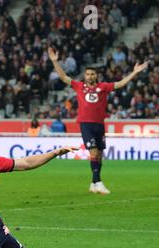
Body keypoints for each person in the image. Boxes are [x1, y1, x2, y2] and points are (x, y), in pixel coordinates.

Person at [48, 47, 148, 194]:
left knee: (100, 154)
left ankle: (93, 183)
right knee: (94, 153)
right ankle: (98, 182)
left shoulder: (103, 87)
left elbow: (120, 84)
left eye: (92, 74)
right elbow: (63, 77)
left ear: (96, 75)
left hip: (99, 124)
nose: (89, 76)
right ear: (85, 76)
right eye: (87, 74)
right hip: (86, 124)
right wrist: (55, 62)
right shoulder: (79, 86)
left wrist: (134, 72)